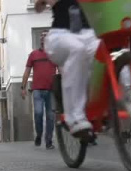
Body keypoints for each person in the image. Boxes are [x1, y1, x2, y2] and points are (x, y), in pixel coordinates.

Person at [35, 0, 100, 138]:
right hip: (60, 35)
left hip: (88, 35)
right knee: (78, 49)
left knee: (110, 51)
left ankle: (124, 100)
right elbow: (38, 8)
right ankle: (75, 117)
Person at [21, 30, 57, 149]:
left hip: (51, 90)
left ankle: (49, 141)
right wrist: (23, 87)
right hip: (37, 90)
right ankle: (39, 134)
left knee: (51, 116)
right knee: (38, 113)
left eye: (45, 35)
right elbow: (27, 71)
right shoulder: (33, 54)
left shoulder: (54, 54)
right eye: (41, 35)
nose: (42, 37)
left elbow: (61, 69)